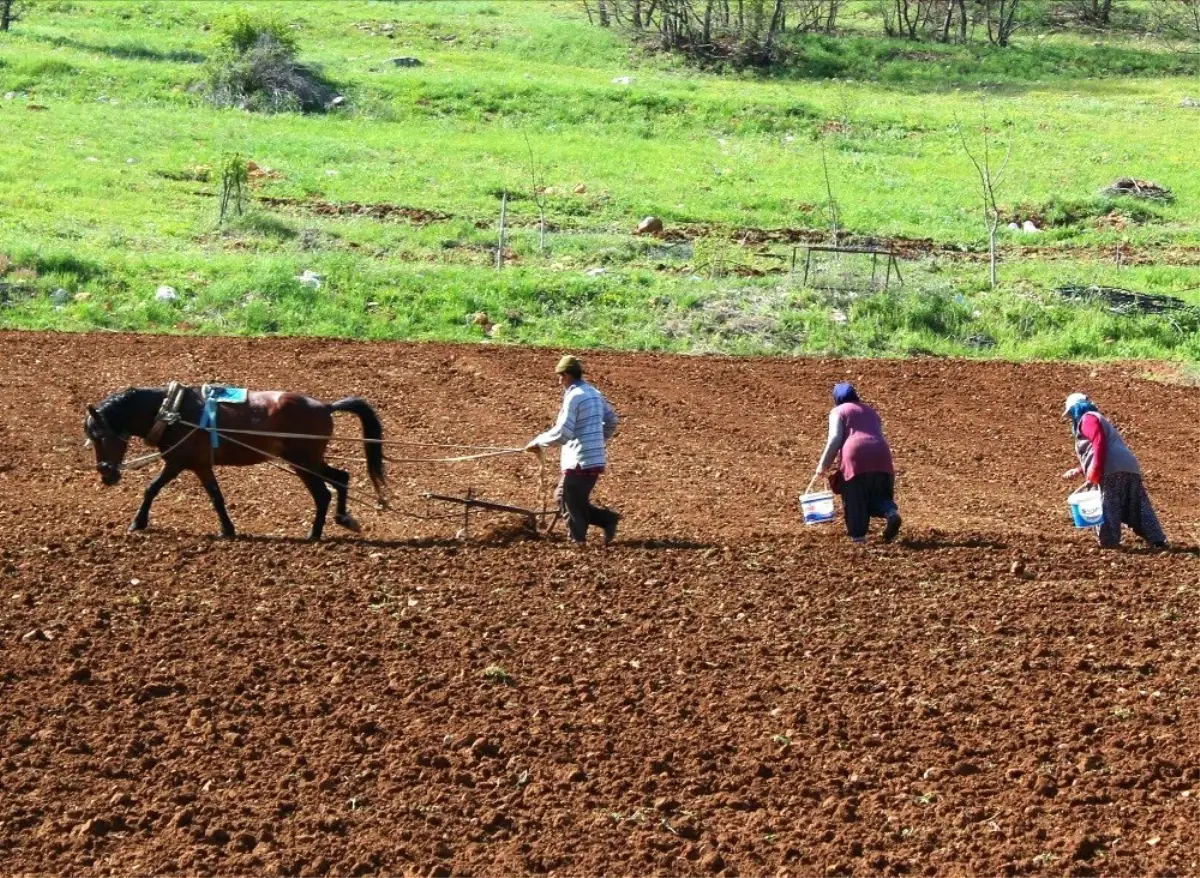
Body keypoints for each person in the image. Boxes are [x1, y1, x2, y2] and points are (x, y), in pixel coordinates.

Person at [525, 355, 620, 545]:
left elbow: (564, 432)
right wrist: (597, 439)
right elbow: (612, 420)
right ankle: (607, 519)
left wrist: (538, 442)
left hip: (579, 459)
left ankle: (578, 541)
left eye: (560, 377)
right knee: (563, 497)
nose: (559, 381)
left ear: (567, 375)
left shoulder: (574, 397)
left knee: (571, 502)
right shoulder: (593, 392)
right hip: (593, 457)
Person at [1061, 392, 1166, 549]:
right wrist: (1080, 470)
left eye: (1071, 413)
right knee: (1137, 504)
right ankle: (1157, 539)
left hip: (1110, 469)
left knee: (1107, 504)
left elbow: (1099, 442)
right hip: (1129, 466)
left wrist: (1095, 471)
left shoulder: (1087, 419)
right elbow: (1101, 449)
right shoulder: (1098, 418)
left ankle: (1109, 543)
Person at [813, 382, 901, 544]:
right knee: (878, 493)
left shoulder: (838, 411)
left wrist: (823, 466)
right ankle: (890, 512)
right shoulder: (871, 412)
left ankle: (859, 539)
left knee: (855, 497)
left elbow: (834, 439)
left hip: (856, 457)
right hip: (882, 454)